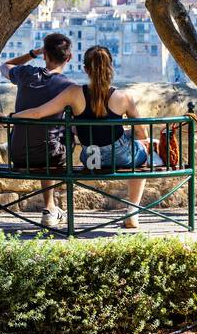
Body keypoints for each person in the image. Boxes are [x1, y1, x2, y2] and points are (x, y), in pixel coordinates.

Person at [12, 44, 161, 230]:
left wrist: (11, 117)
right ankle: (132, 211)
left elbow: (38, 113)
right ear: (111, 68)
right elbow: (141, 134)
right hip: (120, 157)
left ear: (85, 69)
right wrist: (139, 139)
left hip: (90, 158)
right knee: (143, 154)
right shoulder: (124, 97)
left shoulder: (74, 93)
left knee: (134, 145)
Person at [0, 33, 75, 229]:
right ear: (69, 58)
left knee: (46, 139)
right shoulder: (69, 88)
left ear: (45, 55)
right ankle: (50, 207)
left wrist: (33, 53)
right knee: (55, 138)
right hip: (51, 156)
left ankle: (51, 207)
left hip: (18, 153)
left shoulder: (26, 74)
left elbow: (4, 66)